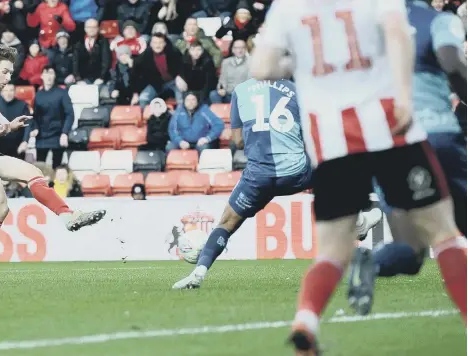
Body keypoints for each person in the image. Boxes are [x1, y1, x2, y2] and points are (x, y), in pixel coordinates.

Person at [251, 0, 466, 353]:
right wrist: (404, 97)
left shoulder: (287, 7)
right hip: (387, 127)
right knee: (443, 233)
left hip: (332, 141)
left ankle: (306, 319)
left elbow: (261, 68)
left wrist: (300, 62)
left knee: (332, 250)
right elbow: (399, 35)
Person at [172, 78, 382, 290]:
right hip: (295, 171)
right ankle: (357, 220)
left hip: (258, 178)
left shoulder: (241, 91)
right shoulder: (297, 89)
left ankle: (198, 273)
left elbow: (237, 140)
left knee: (226, 224)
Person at [0, 46, 105, 286]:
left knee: (33, 172)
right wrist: (2, 118)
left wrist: (5, 127)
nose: (9, 78)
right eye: (6, 71)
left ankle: (67, 216)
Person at [348, 0, 468, 314]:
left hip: (387, 144)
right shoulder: (436, 20)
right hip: (435, 135)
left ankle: (371, 263)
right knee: (458, 227)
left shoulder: (363, 30)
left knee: (411, 253)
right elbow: (452, 63)